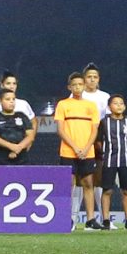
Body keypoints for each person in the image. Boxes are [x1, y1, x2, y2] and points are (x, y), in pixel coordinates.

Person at [53, 71, 104, 227]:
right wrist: (75, 147)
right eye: (74, 85)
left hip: (87, 151)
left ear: (84, 86)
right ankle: (66, 218)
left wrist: (86, 147)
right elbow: (61, 130)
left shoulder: (91, 106)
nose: (77, 87)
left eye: (80, 84)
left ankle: (90, 219)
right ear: (69, 87)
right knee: (68, 184)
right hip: (68, 151)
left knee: (88, 183)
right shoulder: (63, 104)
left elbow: (94, 129)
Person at [98, 93, 127, 227]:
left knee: (126, 190)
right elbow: (98, 141)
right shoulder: (104, 122)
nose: (119, 106)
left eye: (121, 103)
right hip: (109, 160)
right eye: (115, 103)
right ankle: (106, 220)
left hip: (125, 160)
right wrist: (103, 152)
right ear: (109, 107)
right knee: (107, 190)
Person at [0, 77, 35, 164]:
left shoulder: (22, 116)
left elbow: (30, 136)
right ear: (0, 101)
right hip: (2, 157)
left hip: (22, 157)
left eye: (13, 99)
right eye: (7, 99)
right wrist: (11, 147)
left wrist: (18, 148)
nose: (11, 102)